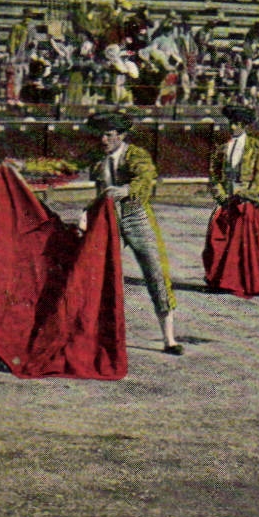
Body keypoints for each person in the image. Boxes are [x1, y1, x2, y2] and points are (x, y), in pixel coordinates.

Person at [81, 111, 180, 355]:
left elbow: (146, 179)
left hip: (136, 216)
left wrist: (126, 189)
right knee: (94, 271)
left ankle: (169, 339)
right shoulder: (97, 157)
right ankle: (90, 332)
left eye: (109, 134)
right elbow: (67, 167)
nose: (104, 139)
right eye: (101, 134)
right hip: (108, 218)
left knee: (155, 271)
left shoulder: (136, 154)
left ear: (121, 136)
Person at [201, 104, 259, 298]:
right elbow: (214, 176)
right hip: (226, 200)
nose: (232, 127)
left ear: (245, 126)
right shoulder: (222, 147)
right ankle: (219, 279)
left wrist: (246, 194)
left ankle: (245, 281)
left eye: (237, 124)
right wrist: (221, 196)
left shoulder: (257, 147)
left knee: (247, 245)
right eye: (231, 123)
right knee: (217, 238)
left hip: (244, 202)